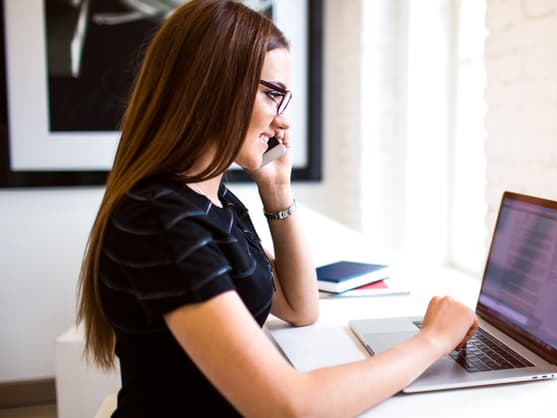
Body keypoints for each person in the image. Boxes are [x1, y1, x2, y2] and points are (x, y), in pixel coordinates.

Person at [76, 1, 478, 417]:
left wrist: (276, 186)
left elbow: (300, 307)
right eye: (272, 95)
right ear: (213, 87)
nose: (281, 120)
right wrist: (431, 341)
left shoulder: (215, 201)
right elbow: (291, 407)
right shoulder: (163, 220)